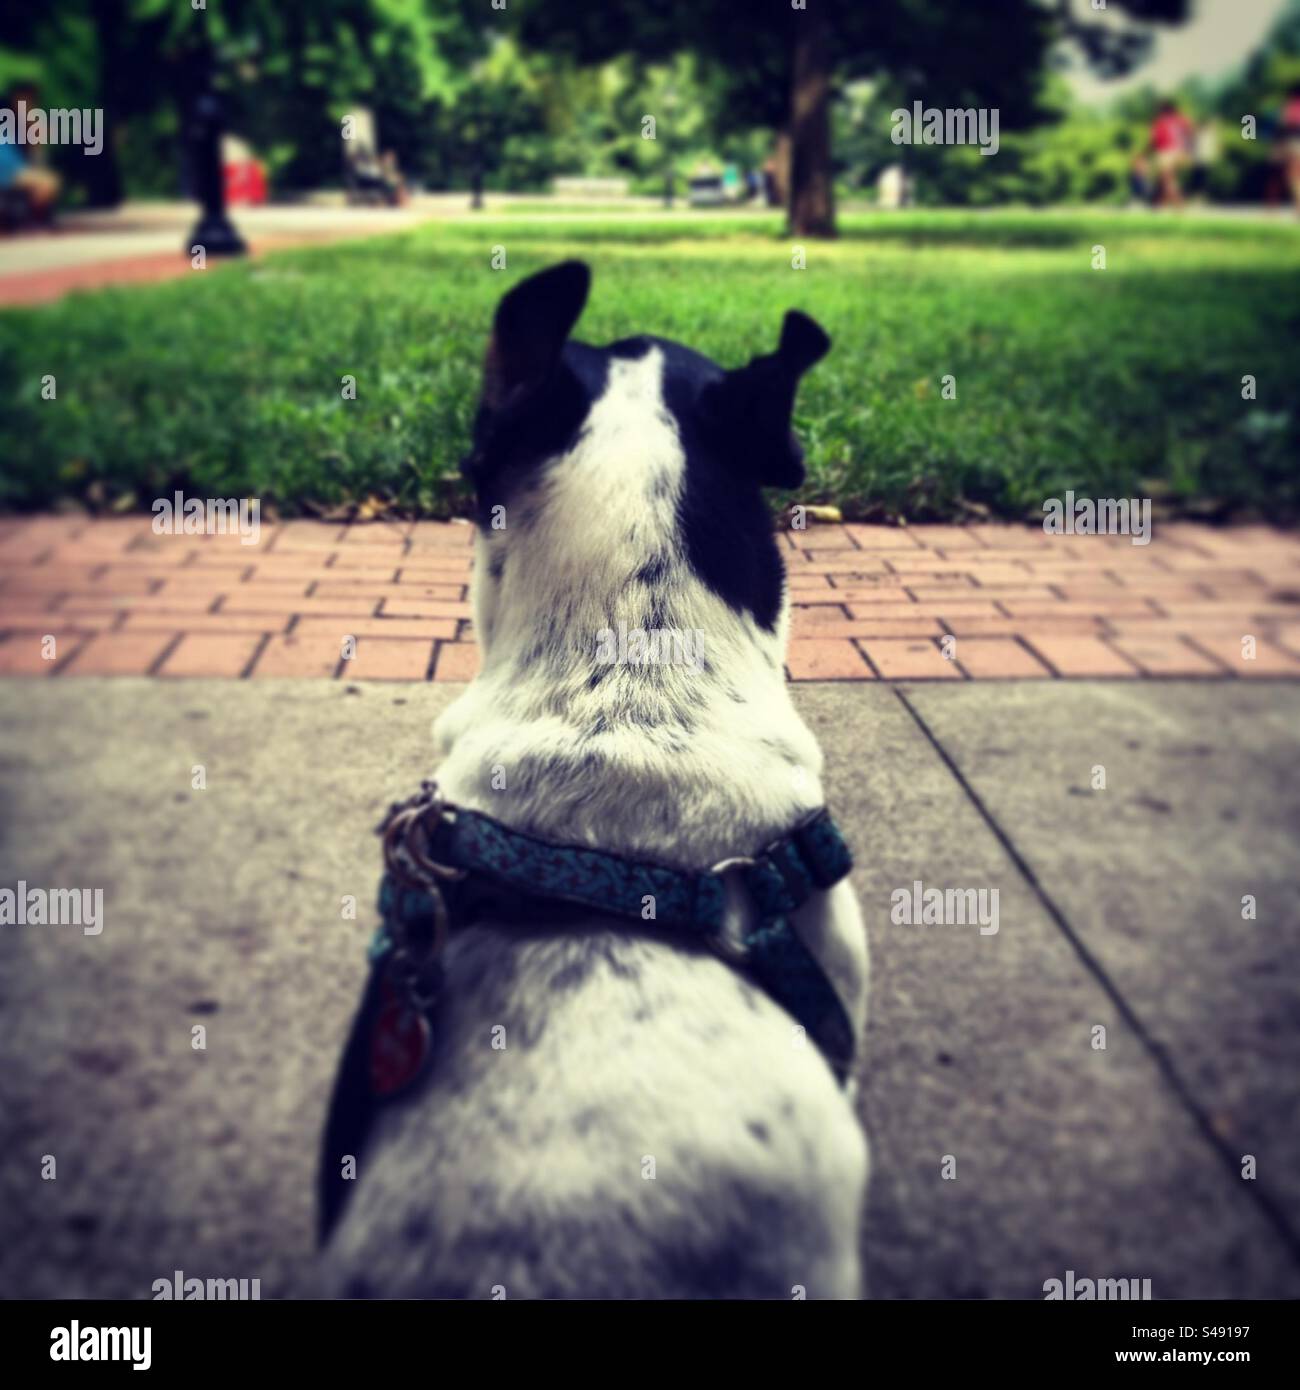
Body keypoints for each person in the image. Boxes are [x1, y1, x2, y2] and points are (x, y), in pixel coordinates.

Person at [0, 89, 61, 228]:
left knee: (47, 183)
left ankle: (31, 222)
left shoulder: (23, 132)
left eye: (30, 105)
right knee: (46, 183)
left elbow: (36, 164)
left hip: (15, 178)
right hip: (8, 178)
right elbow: (8, 166)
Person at [1148, 99, 1194, 208]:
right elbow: (1190, 133)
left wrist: (1149, 153)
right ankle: (1159, 202)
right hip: (1181, 153)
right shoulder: (1181, 120)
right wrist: (1188, 150)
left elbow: (1154, 140)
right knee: (1163, 179)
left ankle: (1179, 205)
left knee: (1168, 180)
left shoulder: (1160, 121)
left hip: (1167, 153)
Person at [1283, 82, 1300, 215]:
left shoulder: (1291, 108)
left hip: (1294, 143)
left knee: (1293, 177)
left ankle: (1298, 207)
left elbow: (1287, 127)